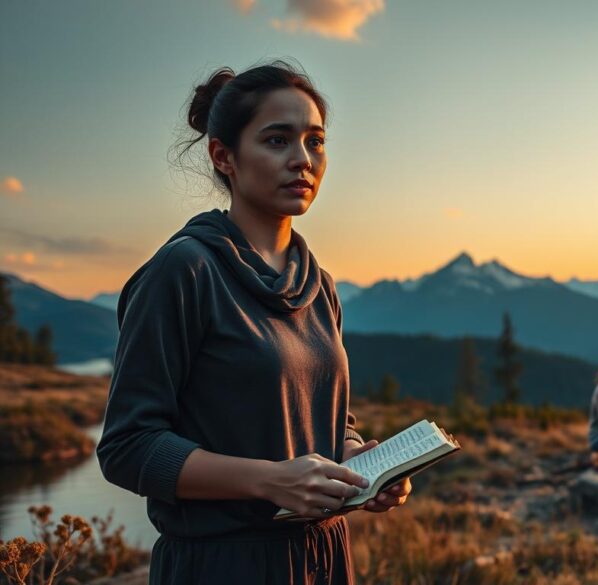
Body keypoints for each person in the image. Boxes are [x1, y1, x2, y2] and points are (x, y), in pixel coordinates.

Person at [96, 60, 410, 584]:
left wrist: (359, 464)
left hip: (325, 558)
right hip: (224, 564)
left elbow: (323, 416)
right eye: (277, 141)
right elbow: (128, 447)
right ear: (225, 157)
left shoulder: (319, 284)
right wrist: (269, 482)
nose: (302, 160)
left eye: (315, 142)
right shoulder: (185, 271)